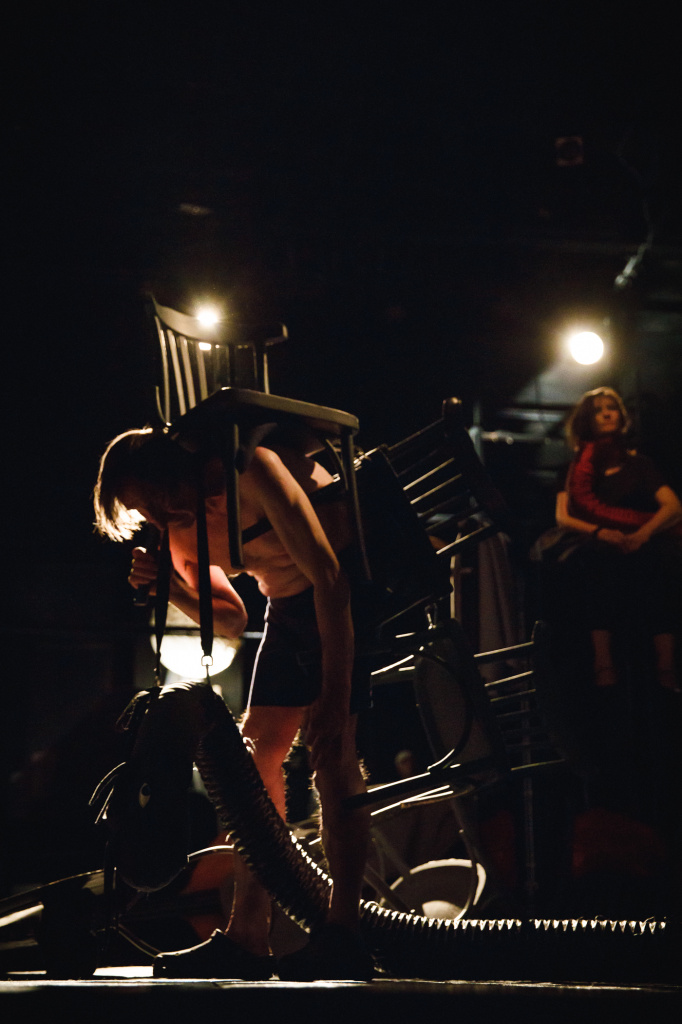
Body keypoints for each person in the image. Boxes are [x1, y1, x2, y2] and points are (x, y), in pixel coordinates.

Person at [93, 425, 376, 981]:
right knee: (254, 759)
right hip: (286, 611)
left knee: (332, 754)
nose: (150, 517)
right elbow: (229, 619)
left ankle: (345, 932)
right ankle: (248, 936)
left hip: (344, 596)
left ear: (164, 474)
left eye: (147, 500)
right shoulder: (180, 533)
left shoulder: (253, 471)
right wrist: (169, 587)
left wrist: (335, 694)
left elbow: (330, 578)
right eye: (139, 512)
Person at [555, 387, 682, 691]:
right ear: (588, 420)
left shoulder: (640, 464)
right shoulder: (575, 468)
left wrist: (642, 534)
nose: (606, 414)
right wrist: (601, 532)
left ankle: (666, 667)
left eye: (611, 407)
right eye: (598, 410)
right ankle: (603, 664)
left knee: (660, 564)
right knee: (597, 564)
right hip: (597, 542)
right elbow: (563, 517)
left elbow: (673, 507)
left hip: (643, 542)